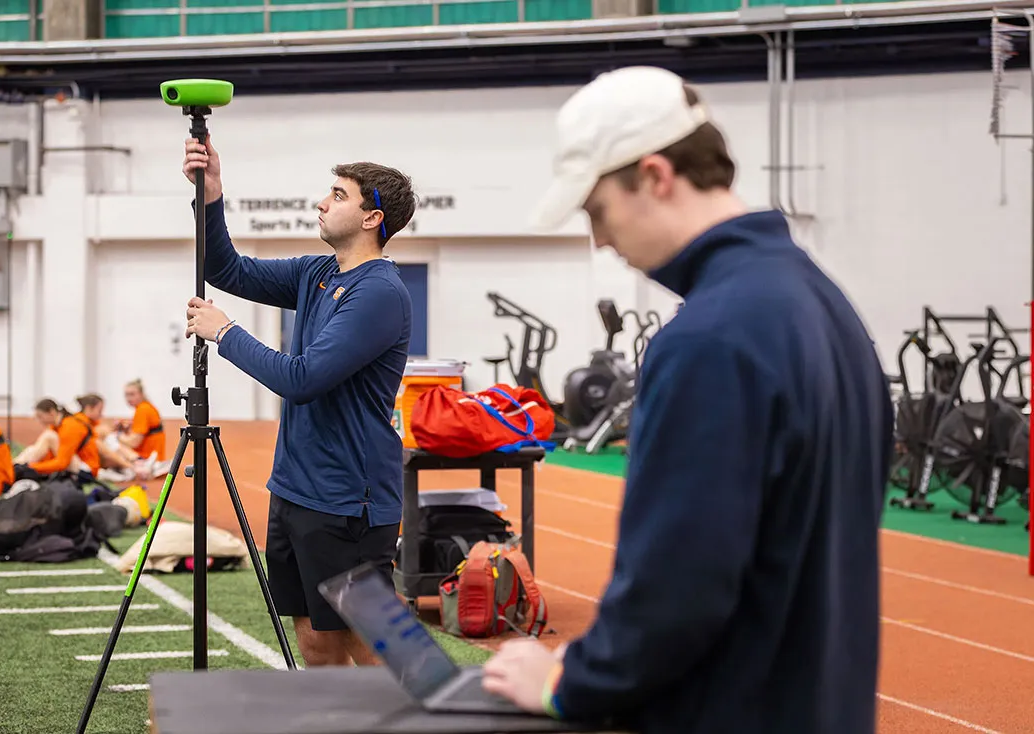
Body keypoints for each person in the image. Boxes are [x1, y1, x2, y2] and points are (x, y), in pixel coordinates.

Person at [479, 66, 893, 734]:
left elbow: (677, 590)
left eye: (597, 210)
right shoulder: (824, 305)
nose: (600, 239)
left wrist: (569, 682)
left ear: (655, 176)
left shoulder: (711, 336)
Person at [180, 135, 415, 666]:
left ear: (371, 217)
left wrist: (225, 333)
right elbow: (228, 270)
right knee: (312, 632)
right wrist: (211, 193)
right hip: (295, 489)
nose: (321, 202)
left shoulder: (379, 292)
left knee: (369, 637)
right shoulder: (318, 272)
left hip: (347, 499)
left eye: (338, 194)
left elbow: (304, 378)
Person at [13, 397, 102, 479]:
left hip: (86, 471)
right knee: (32, 448)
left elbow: (62, 463)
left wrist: (31, 467)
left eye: (40, 416)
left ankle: (17, 468)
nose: (39, 421)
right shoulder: (57, 426)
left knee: (49, 436)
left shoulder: (70, 426)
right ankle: (15, 466)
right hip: (75, 464)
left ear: (51, 413)